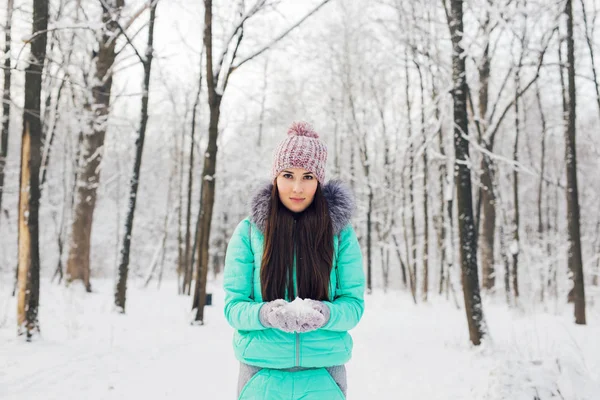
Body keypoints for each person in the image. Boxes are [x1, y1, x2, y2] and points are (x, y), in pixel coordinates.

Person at [223, 121, 365, 400]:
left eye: (308, 177)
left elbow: (354, 305)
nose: (297, 187)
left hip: (323, 372)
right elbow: (233, 307)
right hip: (261, 372)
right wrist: (266, 315)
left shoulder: (341, 236)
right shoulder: (248, 233)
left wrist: (326, 314)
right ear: (275, 177)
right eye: (288, 175)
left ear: (319, 181)